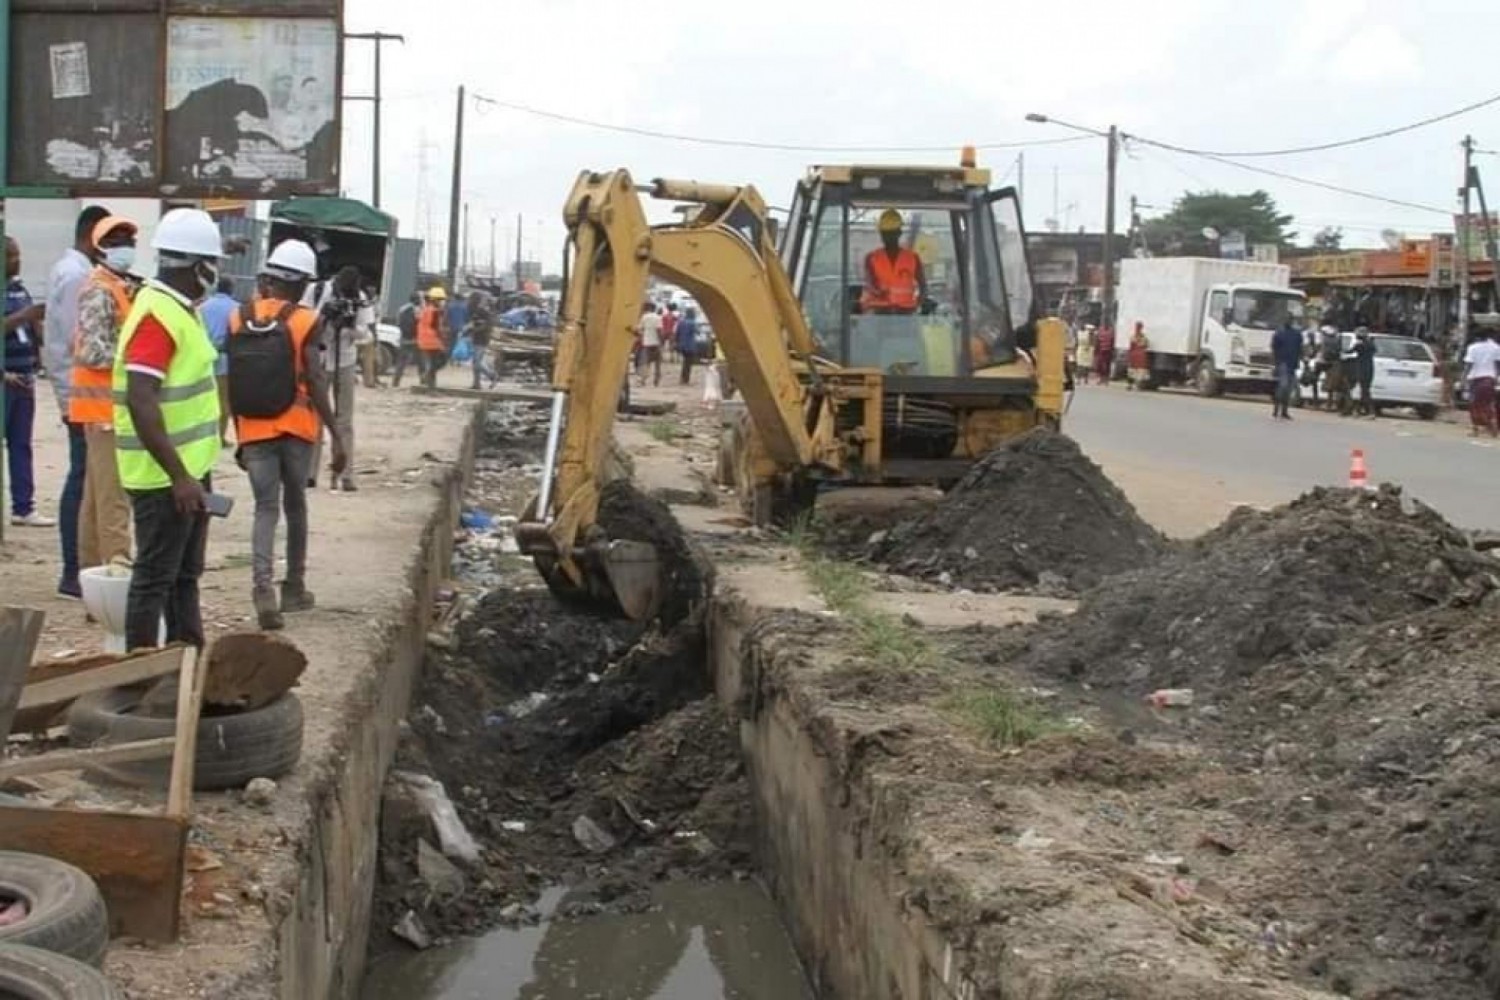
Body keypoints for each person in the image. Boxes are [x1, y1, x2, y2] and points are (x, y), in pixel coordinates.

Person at [113, 208, 225, 651]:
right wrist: (179, 476)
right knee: (155, 578)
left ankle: (187, 664)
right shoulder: (158, 315)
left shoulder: (179, 310)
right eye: (212, 265)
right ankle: (140, 676)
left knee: (184, 576)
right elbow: (142, 398)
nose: (214, 275)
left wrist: (190, 474)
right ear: (200, 266)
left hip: (187, 470)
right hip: (164, 476)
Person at [228, 240, 343, 629]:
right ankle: (294, 587)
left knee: (265, 509)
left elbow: (234, 383)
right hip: (296, 428)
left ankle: (262, 590)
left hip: (254, 428)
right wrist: (336, 434)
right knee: (295, 507)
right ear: (302, 283)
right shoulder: (306, 321)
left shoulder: (238, 316)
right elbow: (315, 377)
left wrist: (239, 434)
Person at [44, 205, 111, 596]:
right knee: (84, 478)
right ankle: (75, 568)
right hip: (80, 392)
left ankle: (80, 567)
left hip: (77, 388)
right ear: (91, 234)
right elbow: (81, 336)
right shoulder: (76, 276)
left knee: (86, 477)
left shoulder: (70, 270)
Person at [71, 215, 141, 574]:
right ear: (98, 248)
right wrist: (136, 362)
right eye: (115, 242)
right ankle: (116, 572)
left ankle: (90, 575)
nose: (124, 248)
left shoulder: (117, 285)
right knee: (112, 500)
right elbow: (93, 352)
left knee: (96, 499)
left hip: (103, 407)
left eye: (128, 241)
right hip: (104, 409)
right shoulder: (100, 289)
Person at [304, 266, 372, 491]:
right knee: (315, 417)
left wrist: (349, 326)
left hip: (346, 359)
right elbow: (302, 320)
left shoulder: (359, 298)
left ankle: (345, 474)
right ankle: (309, 473)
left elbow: (365, 331)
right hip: (321, 359)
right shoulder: (316, 291)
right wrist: (324, 315)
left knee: (345, 421)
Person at [4, 237, 51, 528]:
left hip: (25, 376)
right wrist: (25, 316)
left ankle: (24, 507)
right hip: (5, 377)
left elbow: (33, 330)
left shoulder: (19, 290)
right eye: (10, 256)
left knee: (21, 445)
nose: (16, 261)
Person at [860, 210, 926, 314]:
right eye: (885, 233)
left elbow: (923, 286)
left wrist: (917, 304)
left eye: (891, 233)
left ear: (899, 233)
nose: (888, 237)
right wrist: (879, 293)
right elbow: (870, 283)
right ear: (881, 234)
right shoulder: (872, 258)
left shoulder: (912, 258)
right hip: (879, 313)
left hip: (906, 313)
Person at [198, 276, 238, 445]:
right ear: (231, 289)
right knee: (223, 402)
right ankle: (219, 437)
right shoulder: (236, 309)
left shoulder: (203, 307)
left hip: (204, 357)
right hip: (225, 360)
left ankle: (202, 436)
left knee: (202, 399)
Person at [1463, 329, 1500, 437]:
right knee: (1488, 403)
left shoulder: (1473, 348)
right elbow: (1497, 365)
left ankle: (1476, 429)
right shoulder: (1496, 347)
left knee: (1474, 405)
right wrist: (1497, 378)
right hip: (1490, 379)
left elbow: (1468, 365)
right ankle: (1491, 423)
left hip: (1476, 379)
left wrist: (1463, 379)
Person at [1270, 316, 1303, 421]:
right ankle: (1277, 409)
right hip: (1283, 363)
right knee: (1283, 386)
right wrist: (1276, 363)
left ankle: (1283, 411)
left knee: (1288, 388)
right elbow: (1274, 349)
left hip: (1291, 363)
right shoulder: (1280, 334)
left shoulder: (1296, 334)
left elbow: (1300, 348)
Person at [417, 287, 448, 388]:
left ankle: (426, 378)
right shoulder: (435, 311)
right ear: (436, 300)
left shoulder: (426, 309)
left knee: (431, 364)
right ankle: (431, 387)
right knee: (436, 364)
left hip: (423, 340)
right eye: (441, 300)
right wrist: (442, 341)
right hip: (432, 341)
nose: (443, 302)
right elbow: (437, 328)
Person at [465, 291, 494, 390]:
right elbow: (472, 324)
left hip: (482, 339)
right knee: (475, 363)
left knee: (477, 362)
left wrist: (474, 329)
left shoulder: (484, 312)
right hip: (476, 338)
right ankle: (476, 383)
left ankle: (492, 375)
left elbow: (488, 326)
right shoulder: (473, 311)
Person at [391, 292, 421, 387]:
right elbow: (413, 324)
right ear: (416, 300)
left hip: (404, 337)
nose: (420, 301)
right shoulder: (412, 310)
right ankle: (423, 382)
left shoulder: (403, 308)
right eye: (419, 299)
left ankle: (395, 382)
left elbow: (398, 322)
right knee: (421, 361)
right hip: (411, 338)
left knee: (402, 361)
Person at [1352, 329, 1377, 418]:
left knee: (1365, 391)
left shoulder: (1359, 345)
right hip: (1370, 369)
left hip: (1362, 369)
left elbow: (1350, 351)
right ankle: (1359, 410)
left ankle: (1370, 411)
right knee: (1364, 390)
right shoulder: (1371, 344)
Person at [637, 303, 663, 387]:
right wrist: (660, 342)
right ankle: (656, 381)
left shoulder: (644, 317)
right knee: (657, 364)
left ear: (648, 308)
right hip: (656, 343)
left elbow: (640, 329)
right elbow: (659, 330)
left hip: (647, 343)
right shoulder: (658, 317)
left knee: (646, 363)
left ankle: (643, 380)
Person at [675, 306, 700, 386]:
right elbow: (698, 332)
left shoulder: (681, 322)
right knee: (688, 363)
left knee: (685, 362)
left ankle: (682, 378)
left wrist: (677, 343)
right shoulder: (693, 323)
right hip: (690, 346)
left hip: (682, 345)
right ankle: (686, 379)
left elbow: (677, 334)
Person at [1126, 322, 1150, 390]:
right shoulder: (1143, 337)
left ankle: (1132, 385)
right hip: (1139, 355)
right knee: (1136, 370)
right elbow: (1146, 345)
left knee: (1136, 370)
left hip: (1136, 354)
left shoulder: (1134, 337)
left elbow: (1131, 346)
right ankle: (1135, 385)